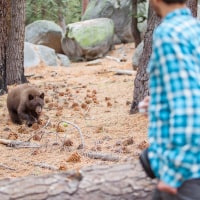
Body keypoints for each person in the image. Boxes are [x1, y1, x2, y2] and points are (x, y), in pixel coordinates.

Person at [139, 0, 200, 199]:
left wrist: (173, 175)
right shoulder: (193, 28)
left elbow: (190, 109)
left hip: (186, 175)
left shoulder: (169, 35)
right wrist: (158, 104)